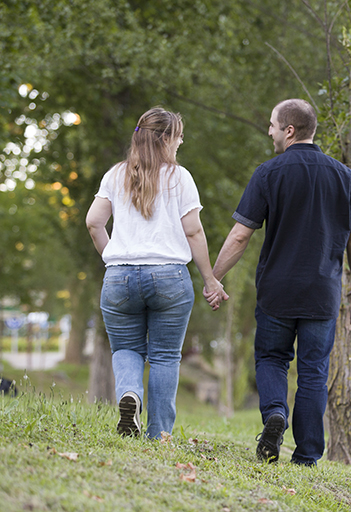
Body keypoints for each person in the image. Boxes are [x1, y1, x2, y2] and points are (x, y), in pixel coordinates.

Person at [207, 98, 351, 466]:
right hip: (322, 294)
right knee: (313, 371)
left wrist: (213, 278)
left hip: (277, 291)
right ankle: (307, 455)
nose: (269, 131)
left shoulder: (268, 173)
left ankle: (275, 413)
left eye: (272, 125)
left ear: (289, 130)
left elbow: (240, 236)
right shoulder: (343, 176)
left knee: (271, 358)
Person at [87, 107, 227, 439]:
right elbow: (193, 231)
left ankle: (129, 394)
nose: (181, 142)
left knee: (125, 349)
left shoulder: (115, 175)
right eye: (178, 136)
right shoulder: (179, 177)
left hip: (119, 277)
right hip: (169, 278)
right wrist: (210, 279)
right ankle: (159, 434)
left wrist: (114, 259)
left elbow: (93, 223)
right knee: (165, 357)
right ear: (165, 139)